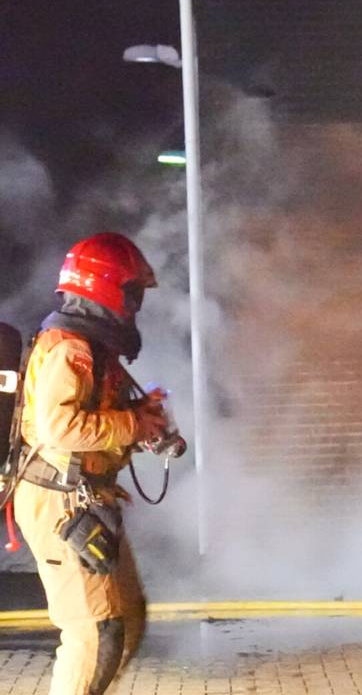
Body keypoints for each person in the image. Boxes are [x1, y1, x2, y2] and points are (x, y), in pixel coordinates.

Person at [12, 233, 167, 694]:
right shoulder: (69, 347)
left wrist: (141, 425)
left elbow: (95, 430)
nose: (134, 305)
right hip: (60, 502)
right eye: (130, 292)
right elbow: (61, 429)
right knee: (94, 634)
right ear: (105, 287)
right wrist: (131, 425)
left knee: (128, 618)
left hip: (84, 498)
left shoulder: (92, 347)